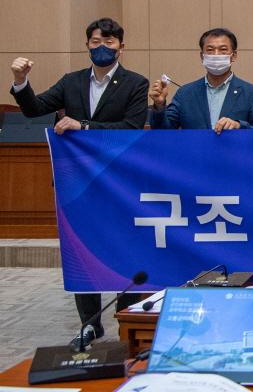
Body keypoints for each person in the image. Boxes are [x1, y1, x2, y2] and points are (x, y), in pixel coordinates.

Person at [9, 18, 149, 339]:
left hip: (119, 183)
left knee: (122, 249)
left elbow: (130, 128)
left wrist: (83, 126)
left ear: (121, 47)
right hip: (77, 185)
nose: (102, 47)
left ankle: (125, 316)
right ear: (87, 44)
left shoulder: (136, 83)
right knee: (83, 252)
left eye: (109, 42)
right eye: (96, 41)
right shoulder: (71, 81)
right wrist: (21, 81)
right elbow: (35, 108)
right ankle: (90, 322)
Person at [148, 28, 253, 131]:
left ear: (234, 55)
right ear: (202, 56)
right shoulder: (185, 93)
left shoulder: (252, 93)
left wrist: (239, 126)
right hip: (196, 153)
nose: (216, 55)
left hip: (234, 152)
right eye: (210, 50)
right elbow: (163, 131)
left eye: (223, 49)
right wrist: (159, 105)